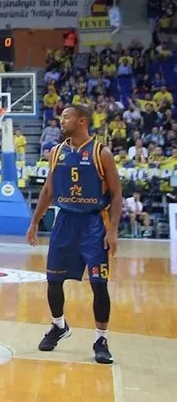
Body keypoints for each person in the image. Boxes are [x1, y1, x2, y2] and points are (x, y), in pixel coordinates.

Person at [26, 104, 122, 365]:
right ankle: (58, 326)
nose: (61, 121)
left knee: (98, 285)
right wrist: (34, 222)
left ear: (82, 121)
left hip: (93, 223)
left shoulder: (101, 153)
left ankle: (101, 339)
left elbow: (116, 194)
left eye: (66, 117)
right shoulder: (56, 152)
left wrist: (112, 231)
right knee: (53, 282)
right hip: (64, 221)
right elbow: (48, 190)